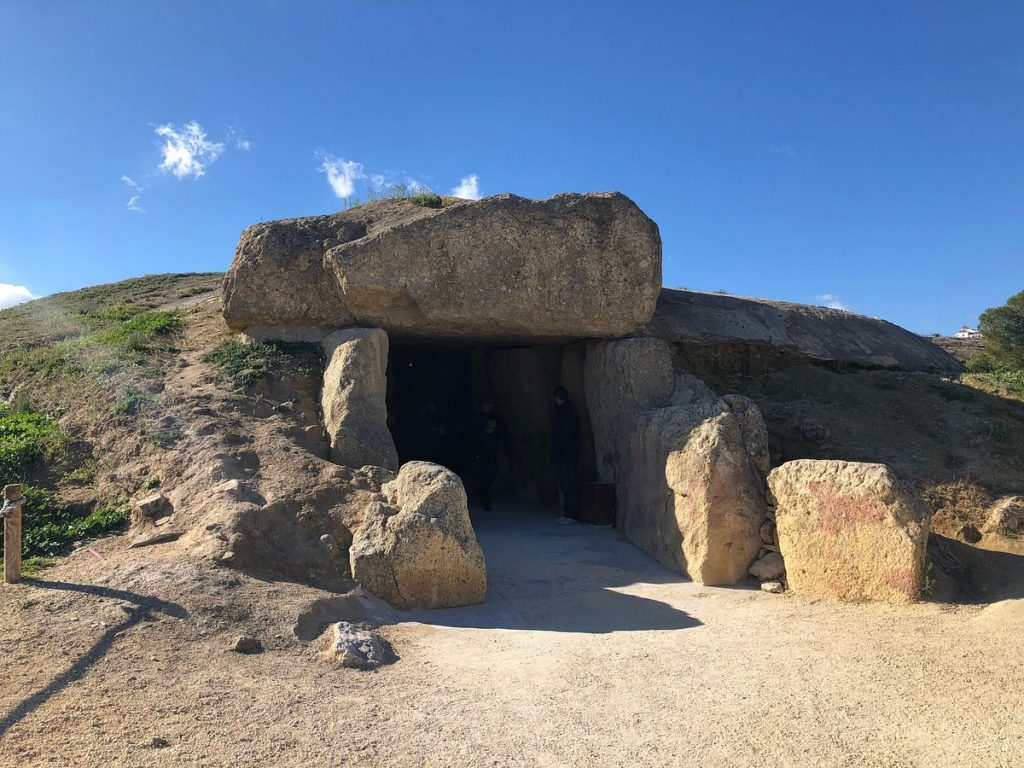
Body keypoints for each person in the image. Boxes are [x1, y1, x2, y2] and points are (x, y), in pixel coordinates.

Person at [550, 386, 581, 524]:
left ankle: (572, 515)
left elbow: (564, 436)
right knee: (565, 485)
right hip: (566, 454)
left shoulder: (566, 413)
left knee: (569, 485)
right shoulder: (566, 411)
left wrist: (557, 451)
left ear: (557, 398)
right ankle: (567, 514)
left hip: (566, 455)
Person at [470, 398, 502, 511]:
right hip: (480, 453)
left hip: (492, 452)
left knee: (491, 474)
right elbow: (473, 436)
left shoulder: (495, 418)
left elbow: (498, 433)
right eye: (487, 403)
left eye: (491, 404)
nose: (489, 406)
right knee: (482, 476)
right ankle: (485, 501)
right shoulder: (478, 418)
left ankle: (484, 495)